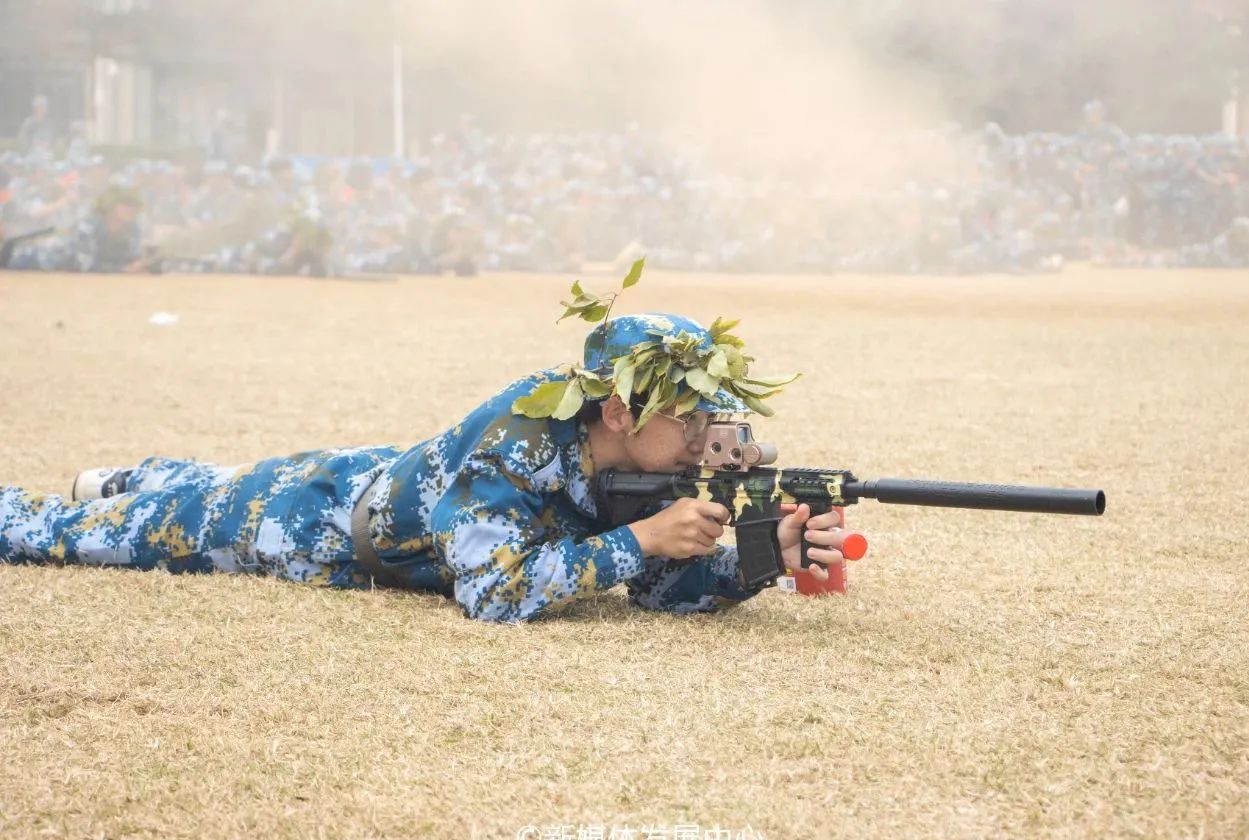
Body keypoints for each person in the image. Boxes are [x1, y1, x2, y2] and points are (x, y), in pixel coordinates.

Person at [0, 303, 850, 623]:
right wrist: (643, 539)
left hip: (377, 476)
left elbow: (661, 590)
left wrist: (758, 558)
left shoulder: (641, 465)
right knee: (107, 534)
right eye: (687, 416)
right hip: (313, 525)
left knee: (205, 484)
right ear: (620, 411)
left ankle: (133, 475)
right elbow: (494, 593)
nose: (705, 434)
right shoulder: (519, 439)